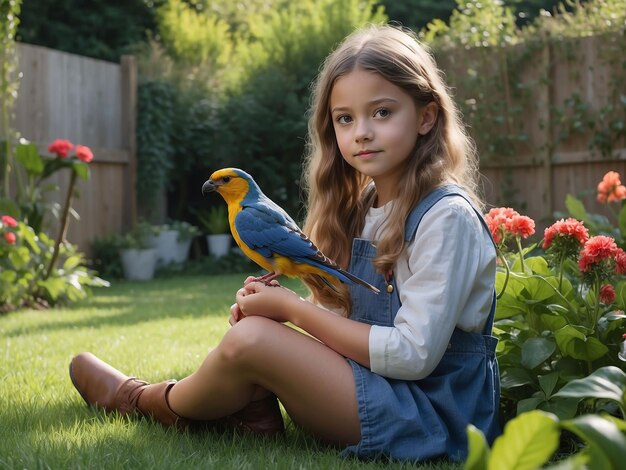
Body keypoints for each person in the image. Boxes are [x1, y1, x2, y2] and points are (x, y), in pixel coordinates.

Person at [69, 24, 500, 462]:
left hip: (433, 422)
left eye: (382, 112)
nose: (362, 132)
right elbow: (350, 317)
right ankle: (247, 411)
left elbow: (413, 356)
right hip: (379, 393)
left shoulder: (446, 218)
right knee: (258, 332)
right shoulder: (367, 206)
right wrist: (282, 314)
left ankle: (144, 402)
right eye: (345, 118)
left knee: (254, 339)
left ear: (427, 116)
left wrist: (294, 311)